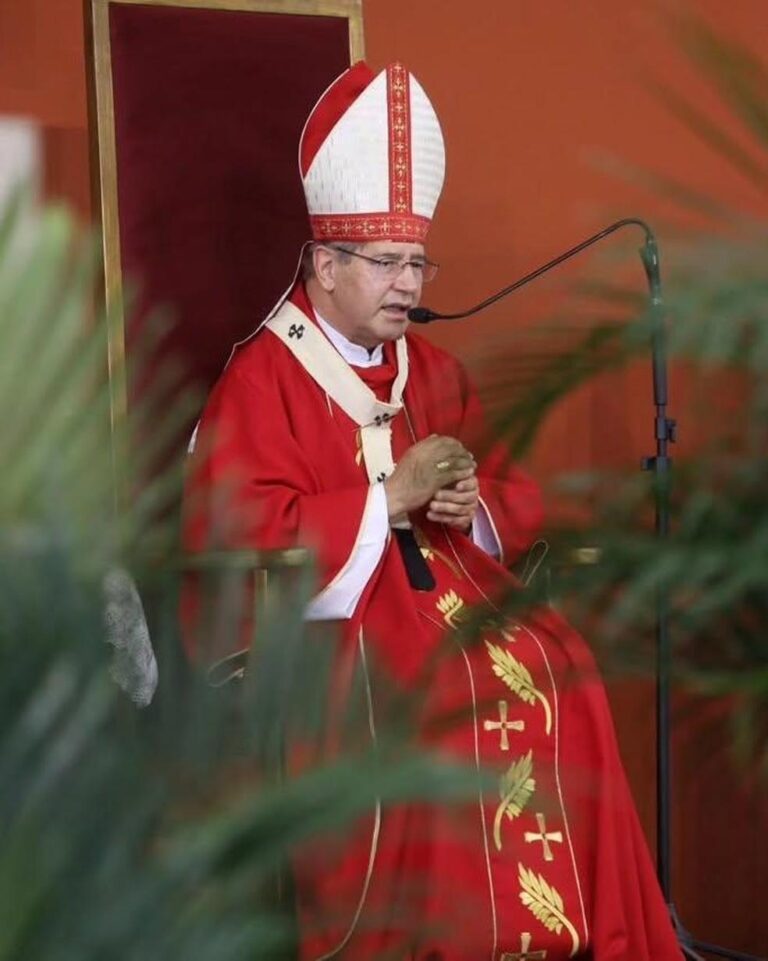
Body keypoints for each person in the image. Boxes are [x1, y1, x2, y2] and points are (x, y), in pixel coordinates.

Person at [183, 61, 682, 961]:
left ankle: (562, 939)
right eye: (387, 263)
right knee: (440, 694)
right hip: (337, 638)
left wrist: (470, 502)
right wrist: (388, 500)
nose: (408, 284)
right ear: (326, 266)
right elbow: (236, 541)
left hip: (452, 606)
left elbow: (511, 489)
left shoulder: (436, 371)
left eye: (417, 261)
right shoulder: (261, 380)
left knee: (563, 667)